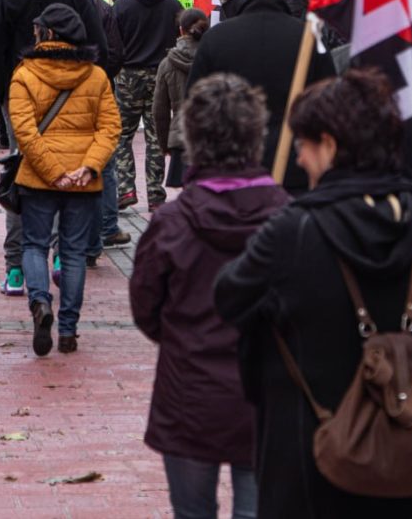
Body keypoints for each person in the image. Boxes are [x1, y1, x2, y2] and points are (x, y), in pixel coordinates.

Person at [215, 69, 412, 519]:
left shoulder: (292, 230)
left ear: (330, 145)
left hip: (307, 452)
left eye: (303, 143)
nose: (297, 158)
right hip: (405, 450)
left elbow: (228, 299)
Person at [130, 73, 289, 519]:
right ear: (256, 136)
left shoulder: (172, 222)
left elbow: (146, 308)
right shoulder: (290, 219)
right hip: (268, 393)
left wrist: (185, 335)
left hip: (190, 391)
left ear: (194, 140)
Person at [0, 0, 108, 296]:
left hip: (21, 93)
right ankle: (57, 256)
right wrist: (88, 81)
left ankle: (17, 270)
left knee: (23, 172)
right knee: (68, 167)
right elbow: (97, 40)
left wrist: (3, 93)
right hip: (72, 91)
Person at [9, 3, 120, 356]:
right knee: (72, 253)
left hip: (39, 180)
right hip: (84, 183)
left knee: (34, 246)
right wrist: (88, 167)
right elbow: (110, 127)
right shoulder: (96, 76)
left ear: (49, 35)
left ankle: (40, 303)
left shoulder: (24, 75)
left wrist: (53, 172)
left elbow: (24, 133)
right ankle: (69, 330)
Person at [187, 0, 336, 192]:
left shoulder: (216, 39)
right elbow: (330, 101)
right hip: (293, 164)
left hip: (231, 166)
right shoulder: (308, 39)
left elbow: (194, 104)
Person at [113, 0, 182, 212]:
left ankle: (126, 188)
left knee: (122, 134)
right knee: (156, 136)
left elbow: (115, 43)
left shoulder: (122, 7)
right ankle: (155, 194)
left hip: (129, 76)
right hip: (160, 75)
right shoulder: (173, 6)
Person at [78, 0, 130, 253]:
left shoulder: (56, 5)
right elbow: (115, 53)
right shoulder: (103, 9)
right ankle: (107, 226)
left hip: (63, 93)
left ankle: (74, 232)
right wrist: (101, 78)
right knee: (105, 159)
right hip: (99, 91)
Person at [152, 7, 208, 188]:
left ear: (181, 30)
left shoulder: (167, 63)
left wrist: (164, 143)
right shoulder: (214, 56)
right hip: (211, 135)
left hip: (181, 134)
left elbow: (159, 110)